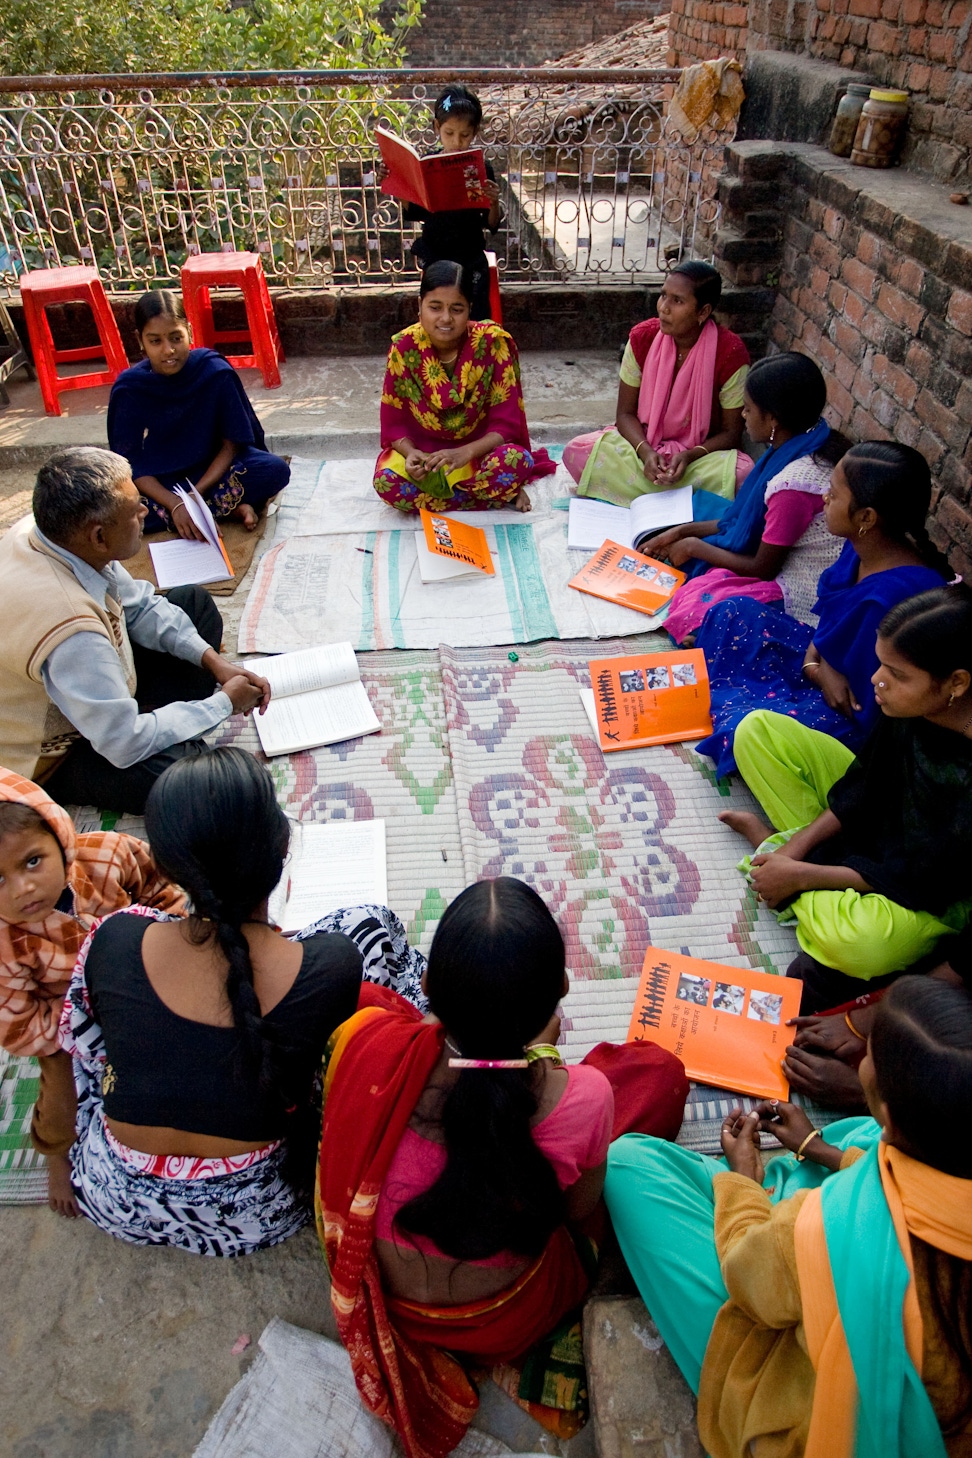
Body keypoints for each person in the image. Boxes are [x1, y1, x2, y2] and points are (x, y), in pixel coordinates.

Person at [317, 877, 688, 1458]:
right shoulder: (583, 1097)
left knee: (365, 1003)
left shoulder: (371, 1050)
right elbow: (579, 1212)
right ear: (560, 994)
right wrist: (544, 1068)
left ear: (430, 988)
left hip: (400, 1306)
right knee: (656, 1077)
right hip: (510, 1316)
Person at [61, 748, 429, 1255]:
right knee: (371, 926)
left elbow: (82, 1052)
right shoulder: (331, 964)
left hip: (115, 1197)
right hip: (263, 1212)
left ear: (166, 868)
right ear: (282, 848)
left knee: (88, 1025)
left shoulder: (113, 939)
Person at [605, 975, 972, 1458]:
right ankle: (787, 1173)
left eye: (868, 1057)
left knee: (627, 1165)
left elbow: (746, 1271)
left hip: (814, 1419)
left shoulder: (831, 1222)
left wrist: (743, 1180)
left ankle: (759, 1183)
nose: (860, 1062)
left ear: (884, 1100)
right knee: (862, 1138)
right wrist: (815, 1148)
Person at [719, 586, 972, 1010]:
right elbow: (862, 786)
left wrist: (801, 875)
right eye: (881, 664)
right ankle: (785, 851)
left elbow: (919, 878)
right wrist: (797, 853)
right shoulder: (914, 707)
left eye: (898, 674)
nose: (877, 679)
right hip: (882, 828)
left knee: (858, 945)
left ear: (957, 683)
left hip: (933, 889)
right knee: (757, 730)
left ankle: (772, 850)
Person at [0, 447, 269, 813]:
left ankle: (160, 718)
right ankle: (162, 728)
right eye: (134, 510)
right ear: (98, 536)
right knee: (193, 777)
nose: (146, 513)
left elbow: (140, 606)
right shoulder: (71, 630)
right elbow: (122, 743)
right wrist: (223, 703)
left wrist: (213, 663)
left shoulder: (49, 534)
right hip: (62, 752)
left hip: (96, 693)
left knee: (193, 604)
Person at [692, 441, 950, 778]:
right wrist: (817, 664)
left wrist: (818, 665)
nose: (825, 499)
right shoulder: (860, 548)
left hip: (851, 719)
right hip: (821, 664)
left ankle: (733, 707)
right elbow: (827, 631)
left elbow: (860, 703)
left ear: (866, 517)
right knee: (733, 612)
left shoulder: (889, 601)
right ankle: (733, 698)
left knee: (748, 730)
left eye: (834, 493)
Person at [0, 766, 184, 1218]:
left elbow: (161, 887)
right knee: (61, 1096)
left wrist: (168, 941)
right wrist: (85, 1020)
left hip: (142, 974)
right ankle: (57, 1154)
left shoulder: (105, 854)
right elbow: (21, 1027)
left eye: (32, 861)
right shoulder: (5, 944)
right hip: (63, 1023)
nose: (23, 888)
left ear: (60, 838)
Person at [644, 353, 847, 643]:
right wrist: (681, 531)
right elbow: (741, 520)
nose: (742, 415)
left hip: (801, 585)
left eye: (749, 409)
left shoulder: (793, 485)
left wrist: (692, 546)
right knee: (702, 574)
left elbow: (763, 568)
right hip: (780, 557)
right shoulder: (805, 439)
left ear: (773, 418)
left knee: (708, 604)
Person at [374, 260, 555, 514]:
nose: (445, 319)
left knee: (516, 461)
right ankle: (493, 496)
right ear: (420, 306)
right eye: (435, 307)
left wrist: (464, 453)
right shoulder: (403, 348)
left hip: (477, 456)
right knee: (386, 483)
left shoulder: (492, 343)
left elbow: (506, 424)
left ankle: (447, 499)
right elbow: (394, 425)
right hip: (428, 463)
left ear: (469, 309)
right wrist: (412, 453)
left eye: (456, 309)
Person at [563, 261, 751, 506]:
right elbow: (625, 414)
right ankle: (680, 503)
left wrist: (689, 455)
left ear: (703, 312)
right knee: (576, 451)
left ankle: (637, 495)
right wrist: (646, 452)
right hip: (644, 448)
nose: (663, 308)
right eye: (663, 296)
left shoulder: (730, 353)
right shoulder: (643, 338)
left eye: (678, 301)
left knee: (744, 475)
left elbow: (732, 432)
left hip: (697, 457)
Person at [107, 289, 290, 536]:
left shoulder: (214, 372)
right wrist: (176, 503)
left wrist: (195, 494)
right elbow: (128, 462)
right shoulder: (131, 388)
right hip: (163, 479)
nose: (168, 350)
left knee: (275, 470)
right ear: (140, 340)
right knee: (116, 511)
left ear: (189, 333)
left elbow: (232, 444)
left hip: (214, 472)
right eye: (155, 341)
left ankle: (200, 511)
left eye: (175, 338)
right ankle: (228, 509)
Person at [398, 84, 501, 323]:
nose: (457, 142)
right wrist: (400, 185)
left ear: (474, 132)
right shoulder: (429, 165)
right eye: (449, 133)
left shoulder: (481, 169)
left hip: (470, 253)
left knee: (474, 312)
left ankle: (472, 352)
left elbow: (491, 222)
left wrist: (494, 202)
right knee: (437, 311)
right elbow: (415, 210)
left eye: (465, 135)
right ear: (437, 128)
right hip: (436, 252)